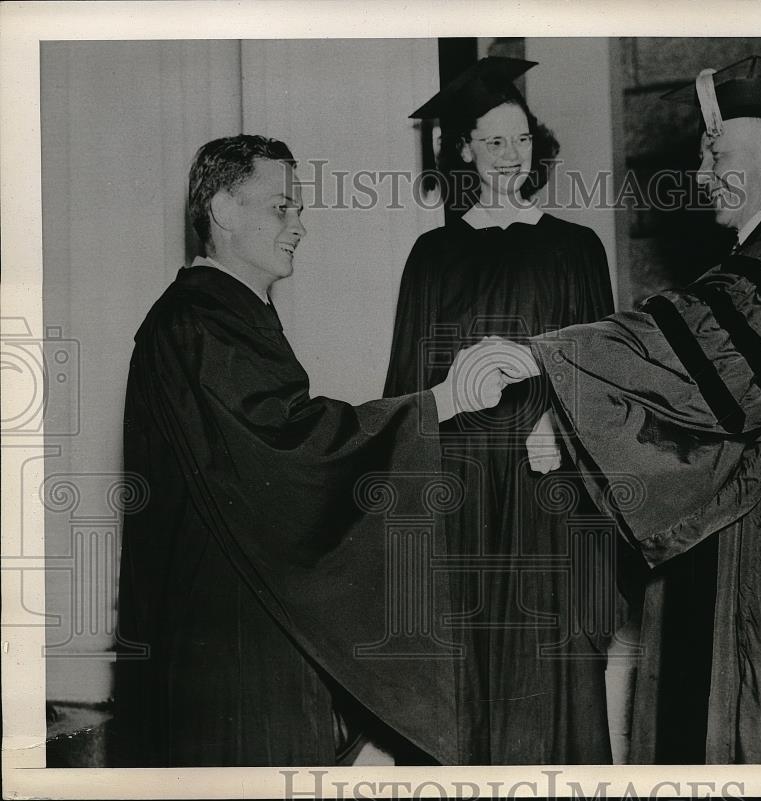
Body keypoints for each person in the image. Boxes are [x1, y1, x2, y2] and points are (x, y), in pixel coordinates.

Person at [507, 56, 761, 763]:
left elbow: (708, 352)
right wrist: (571, 420)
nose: (699, 174)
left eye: (714, 151)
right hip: (760, 525)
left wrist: (555, 361)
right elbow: (707, 384)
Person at [113, 134, 523, 767]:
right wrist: (437, 403)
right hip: (232, 640)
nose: (300, 225)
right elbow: (293, 447)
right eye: (282, 207)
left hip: (237, 620)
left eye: (298, 208)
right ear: (222, 210)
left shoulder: (219, 314)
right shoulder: (200, 322)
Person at [383, 57, 619, 764]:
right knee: (466, 645)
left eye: (521, 139)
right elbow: (409, 381)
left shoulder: (576, 249)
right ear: (463, 151)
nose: (510, 155)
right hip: (462, 482)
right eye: (492, 141)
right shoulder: (432, 255)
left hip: (548, 477)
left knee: (551, 650)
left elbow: (601, 370)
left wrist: (564, 427)